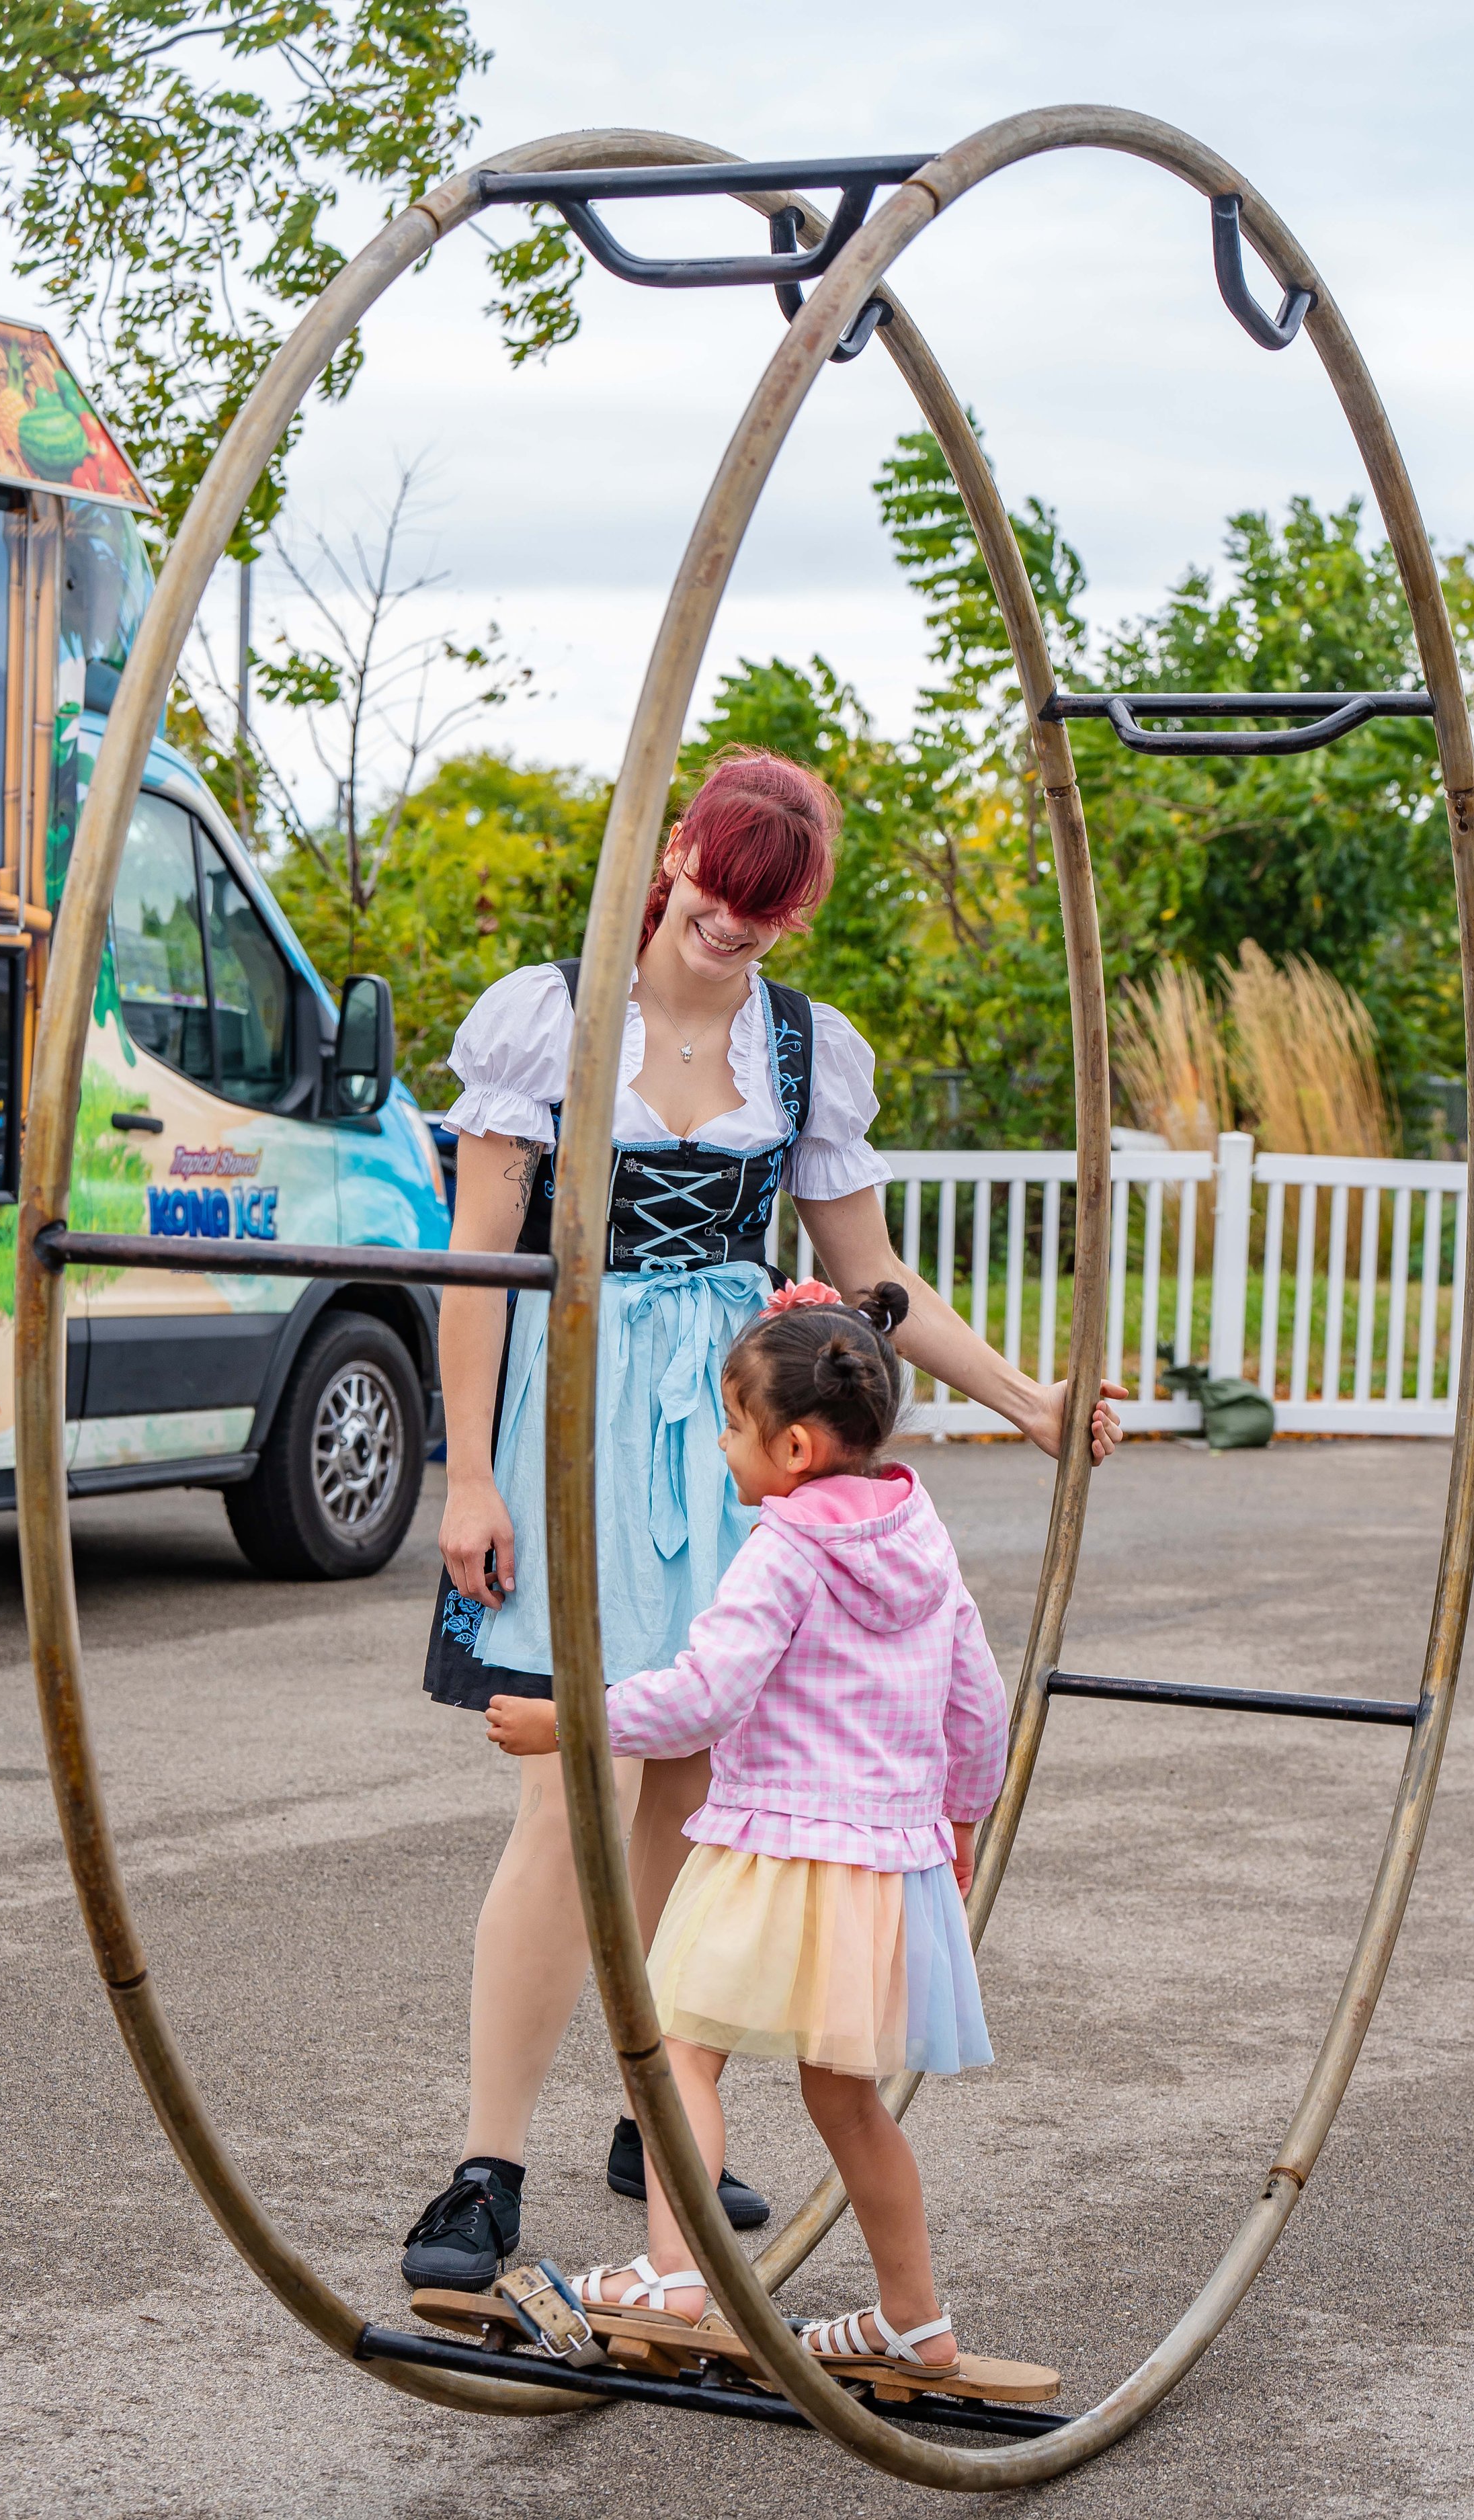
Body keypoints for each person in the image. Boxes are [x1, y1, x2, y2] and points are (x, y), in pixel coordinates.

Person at [404, 747, 1124, 2294]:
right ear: (674, 853)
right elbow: (476, 1264)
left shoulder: (801, 1049)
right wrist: (464, 1474)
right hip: (572, 1417)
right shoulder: (550, 1017)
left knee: (695, 1796)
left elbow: (874, 1278)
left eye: (767, 908)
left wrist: (1027, 1397)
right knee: (568, 1797)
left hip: (738, 1446)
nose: (731, 925)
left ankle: (657, 2116)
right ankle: (486, 2162)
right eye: (719, 889)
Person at [487, 1282, 1003, 2382]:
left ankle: (675, 2273)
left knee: (677, 2049)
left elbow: (704, 1696)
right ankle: (915, 2320)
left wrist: (566, 1721)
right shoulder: (921, 1534)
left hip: (780, 1851)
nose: (721, 1445)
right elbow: (979, 1703)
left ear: (797, 1446)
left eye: (731, 1424)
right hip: (888, 1865)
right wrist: (959, 1818)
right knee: (845, 2097)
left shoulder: (784, 1547)